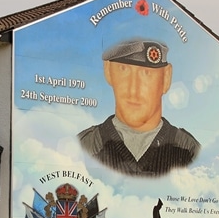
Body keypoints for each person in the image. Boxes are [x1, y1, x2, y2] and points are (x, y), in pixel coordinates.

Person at [78, 38, 200, 177]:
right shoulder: (84, 146)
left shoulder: (189, 151)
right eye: (124, 70)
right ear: (108, 71)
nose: (134, 89)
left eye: (147, 73)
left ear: (166, 77)